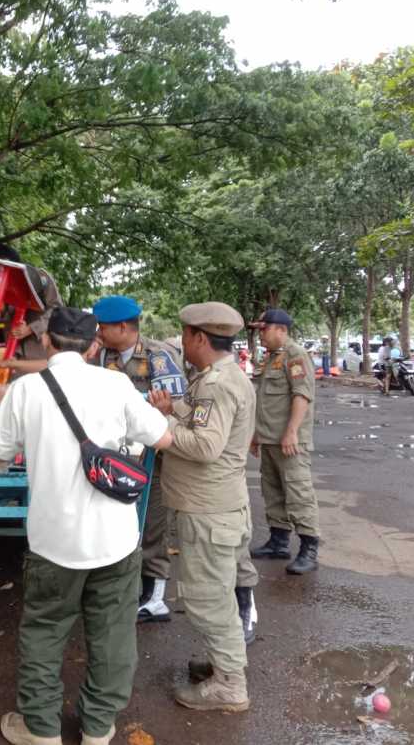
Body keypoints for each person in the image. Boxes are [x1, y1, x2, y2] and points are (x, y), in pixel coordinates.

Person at [0, 306, 173, 745]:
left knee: (45, 631)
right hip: (116, 541)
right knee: (112, 634)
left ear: (47, 342)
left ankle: (40, 729)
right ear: (93, 346)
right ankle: (97, 727)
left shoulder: (26, 389)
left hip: (53, 542)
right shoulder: (116, 383)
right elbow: (160, 436)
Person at [146, 302, 256, 712]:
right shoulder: (219, 376)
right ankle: (223, 661)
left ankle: (230, 684)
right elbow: (207, 425)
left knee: (208, 597)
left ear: (200, 338)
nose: (182, 344)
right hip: (217, 506)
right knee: (218, 592)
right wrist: (173, 409)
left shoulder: (216, 384)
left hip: (209, 511)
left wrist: (162, 429)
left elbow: (206, 445)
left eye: (185, 336)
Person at [90, 295, 186, 624]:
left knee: (153, 526)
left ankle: (155, 597)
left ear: (122, 327)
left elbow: (174, 406)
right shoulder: (101, 356)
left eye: (103, 326)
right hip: (112, 458)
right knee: (119, 523)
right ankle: (126, 587)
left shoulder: (159, 357)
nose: (99, 331)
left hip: (152, 456)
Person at [248, 308, 319, 575]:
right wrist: (256, 434)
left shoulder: (295, 355)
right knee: (273, 491)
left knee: (298, 493)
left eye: (264, 330)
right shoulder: (270, 359)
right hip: (269, 438)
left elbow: (302, 395)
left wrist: (291, 431)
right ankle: (278, 542)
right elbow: (265, 399)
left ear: (281, 329)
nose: (261, 335)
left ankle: (309, 549)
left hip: (289, 441)